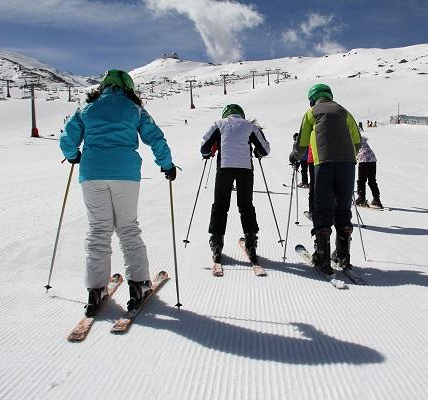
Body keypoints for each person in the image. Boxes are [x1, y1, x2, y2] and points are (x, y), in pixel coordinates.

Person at [59, 69, 176, 317]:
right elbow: (155, 138)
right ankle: (139, 285)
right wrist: (166, 164)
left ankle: (95, 290)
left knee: (98, 230)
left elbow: (68, 139)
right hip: (125, 174)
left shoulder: (86, 108)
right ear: (128, 88)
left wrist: (73, 156)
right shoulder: (134, 109)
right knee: (127, 228)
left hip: (92, 173)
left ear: (103, 86)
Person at [289, 83, 361, 274]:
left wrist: (294, 157)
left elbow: (302, 142)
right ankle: (343, 256)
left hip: (324, 164)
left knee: (323, 208)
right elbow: (357, 140)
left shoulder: (312, 113)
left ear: (312, 98)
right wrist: (347, 157)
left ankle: (322, 255)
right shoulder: (344, 111)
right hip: (348, 164)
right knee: (343, 208)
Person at [201, 104, 270, 264]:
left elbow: (204, 147)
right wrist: (257, 153)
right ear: (241, 114)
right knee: (246, 205)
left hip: (224, 168)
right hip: (245, 169)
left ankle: (217, 245)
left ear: (226, 114)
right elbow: (265, 149)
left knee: (220, 205)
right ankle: (251, 244)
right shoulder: (250, 126)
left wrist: (208, 153)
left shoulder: (218, 124)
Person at [355, 136, 383, 208]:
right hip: (372, 159)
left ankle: (361, 198)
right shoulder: (361, 139)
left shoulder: (352, 138)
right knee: (372, 181)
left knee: (361, 180)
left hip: (363, 159)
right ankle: (376, 199)